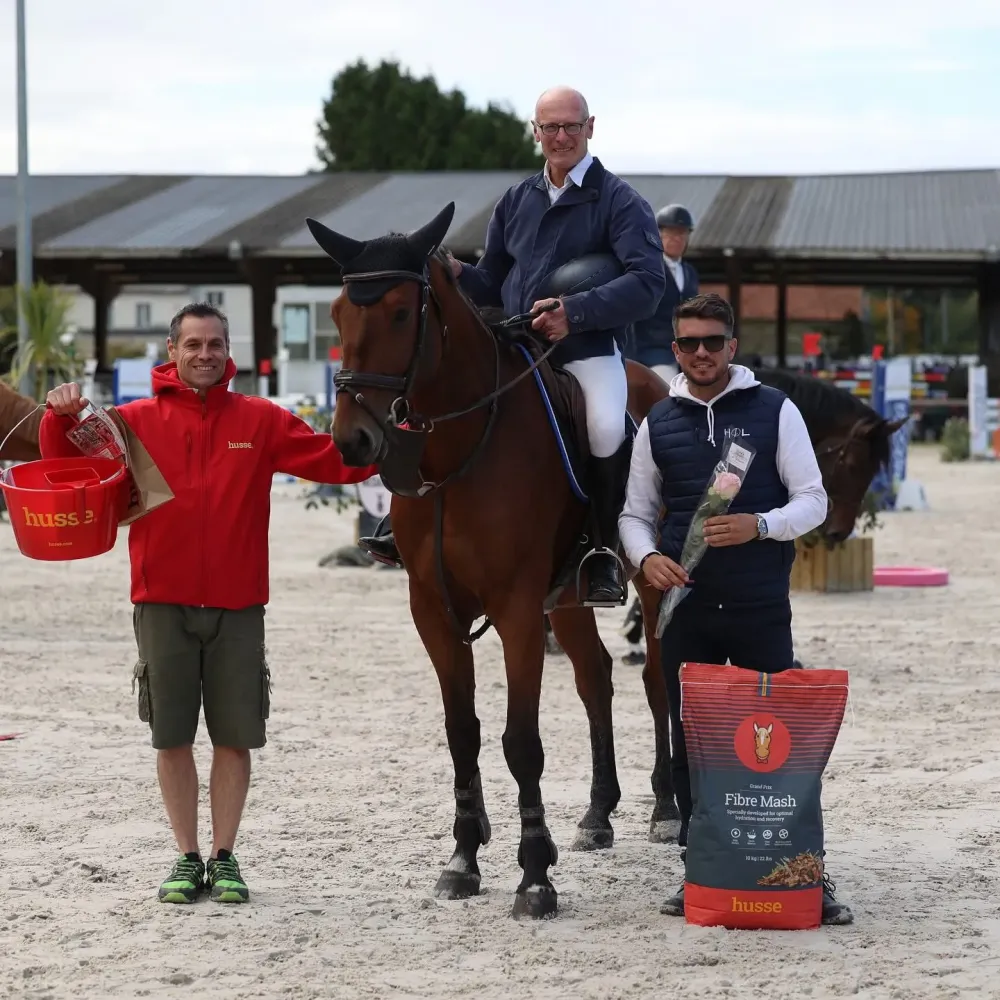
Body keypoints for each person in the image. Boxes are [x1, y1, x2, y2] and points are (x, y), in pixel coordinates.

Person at [39, 302, 377, 905]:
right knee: (170, 737)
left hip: (239, 603)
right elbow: (67, 470)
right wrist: (58, 417)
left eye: (214, 343)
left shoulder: (261, 419)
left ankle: (224, 857)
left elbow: (338, 460)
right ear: (172, 351)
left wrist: (402, 433)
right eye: (192, 344)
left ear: (228, 351)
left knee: (234, 736)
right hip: (160, 600)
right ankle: (186, 856)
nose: (204, 354)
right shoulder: (131, 422)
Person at [361, 85, 666, 606]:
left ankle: (602, 554)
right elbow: (493, 280)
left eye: (571, 126)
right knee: (442, 401)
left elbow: (649, 281)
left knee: (606, 425)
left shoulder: (620, 201)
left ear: (591, 127)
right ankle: (402, 519)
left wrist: (576, 314)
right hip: (515, 346)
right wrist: (460, 273)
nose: (561, 136)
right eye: (550, 127)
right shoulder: (516, 200)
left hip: (583, 351)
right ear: (536, 132)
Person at [618, 292, 853, 926]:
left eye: (712, 341)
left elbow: (814, 500)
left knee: (782, 741)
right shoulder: (655, 423)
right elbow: (634, 515)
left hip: (758, 603)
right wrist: (644, 560)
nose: (700, 352)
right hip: (685, 606)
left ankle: (806, 870)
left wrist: (762, 525)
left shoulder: (776, 410)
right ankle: (702, 869)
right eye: (688, 342)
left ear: (732, 346)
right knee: (691, 743)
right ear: (674, 350)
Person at [618, 203, 699, 655]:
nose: (675, 239)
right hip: (649, 352)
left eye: (681, 234)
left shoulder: (691, 273)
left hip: (683, 351)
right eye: (670, 232)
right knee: (674, 385)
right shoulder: (650, 266)